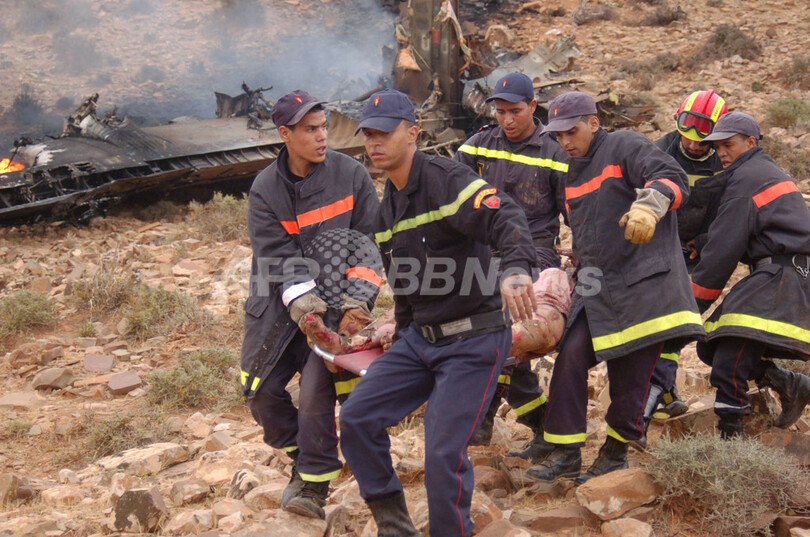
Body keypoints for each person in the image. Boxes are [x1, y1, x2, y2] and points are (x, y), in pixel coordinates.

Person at [339, 89, 538, 537]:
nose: (373, 142)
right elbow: (404, 288)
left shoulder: (448, 179)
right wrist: (399, 340)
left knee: (443, 454)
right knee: (356, 418)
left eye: (384, 133)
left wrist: (516, 270)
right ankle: (395, 526)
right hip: (420, 341)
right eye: (368, 134)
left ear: (413, 133)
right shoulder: (386, 210)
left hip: (474, 339)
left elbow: (504, 213)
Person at [526, 91, 705, 486]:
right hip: (599, 289)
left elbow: (672, 178)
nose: (565, 141)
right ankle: (565, 453)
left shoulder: (625, 145)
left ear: (593, 123)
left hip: (644, 287)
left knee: (630, 377)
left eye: (571, 131)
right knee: (571, 358)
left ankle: (614, 453)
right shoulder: (572, 172)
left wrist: (650, 205)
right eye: (558, 135)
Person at [238, 89, 382, 519]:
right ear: (285, 134)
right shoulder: (265, 189)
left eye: (324, 127)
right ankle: (301, 454)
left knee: (317, 395)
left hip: (339, 306)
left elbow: (368, 245)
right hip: (278, 305)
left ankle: (313, 484)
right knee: (261, 392)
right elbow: (279, 258)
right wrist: (307, 311)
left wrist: (356, 306)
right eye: (310, 129)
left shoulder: (351, 174)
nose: (322, 137)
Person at [454, 72, 568, 457]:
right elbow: (450, 192)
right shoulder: (478, 145)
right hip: (487, 252)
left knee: (500, 331)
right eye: (500, 112)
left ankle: (484, 425)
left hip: (535, 252)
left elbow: (574, 210)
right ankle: (538, 422)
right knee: (488, 335)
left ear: (533, 106)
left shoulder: (554, 151)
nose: (507, 120)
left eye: (515, 111)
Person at [688, 111, 810, 438]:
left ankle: (733, 443)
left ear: (751, 142)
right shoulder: (759, 171)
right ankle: (790, 384)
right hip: (785, 273)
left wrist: (692, 305)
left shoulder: (747, 179)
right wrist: (703, 241)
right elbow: (753, 228)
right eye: (717, 147)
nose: (721, 153)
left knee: (728, 358)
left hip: (783, 277)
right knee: (711, 347)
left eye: (728, 145)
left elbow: (725, 248)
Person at [643, 90, 730, 422]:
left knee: (680, 321)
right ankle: (661, 390)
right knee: (655, 320)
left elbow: (731, 209)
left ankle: (659, 390)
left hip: (698, 253)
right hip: (655, 247)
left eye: (703, 136)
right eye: (687, 132)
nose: (693, 143)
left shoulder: (724, 161)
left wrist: (705, 241)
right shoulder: (657, 151)